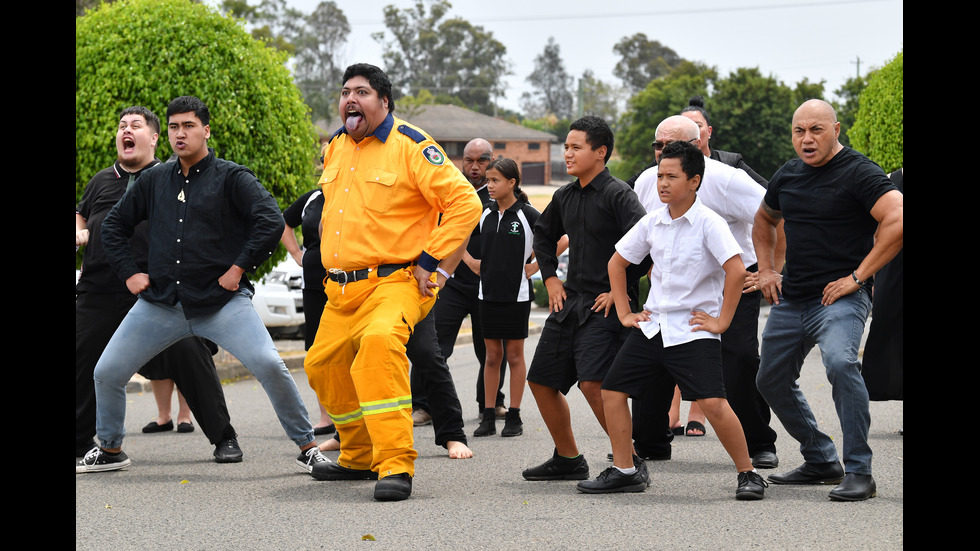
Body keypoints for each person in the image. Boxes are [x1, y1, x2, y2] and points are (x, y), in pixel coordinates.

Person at [77, 96, 326, 474]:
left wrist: (239, 268)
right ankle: (110, 449)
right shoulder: (152, 180)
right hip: (161, 303)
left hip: (221, 302)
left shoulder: (231, 177)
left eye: (189, 126)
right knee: (107, 372)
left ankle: (308, 446)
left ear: (206, 130)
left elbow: (270, 221)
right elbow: (113, 226)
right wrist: (130, 272)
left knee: (269, 364)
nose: (181, 133)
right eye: (175, 126)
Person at [303, 64, 482, 501]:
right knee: (321, 365)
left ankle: (395, 464)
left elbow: (464, 202)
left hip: (395, 282)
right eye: (345, 92)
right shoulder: (337, 147)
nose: (350, 99)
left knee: (380, 348)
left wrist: (431, 259)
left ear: (384, 101)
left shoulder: (411, 146)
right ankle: (359, 456)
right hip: (340, 289)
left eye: (361, 92)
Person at [578, 140, 766, 499]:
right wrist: (624, 312)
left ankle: (749, 473)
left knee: (713, 403)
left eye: (672, 176)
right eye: (660, 175)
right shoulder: (653, 221)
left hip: (693, 330)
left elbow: (736, 270)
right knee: (612, 392)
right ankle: (625, 469)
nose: (662, 183)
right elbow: (617, 263)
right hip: (652, 326)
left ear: (694, 180)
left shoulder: (710, 222)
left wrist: (722, 322)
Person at [753, 99, 903, 501]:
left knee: (840, 362)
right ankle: (820, 458)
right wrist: (767, 270)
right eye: (799, 130)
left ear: (836, 129)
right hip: (794, 296)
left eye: (816, 130)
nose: (806, 138)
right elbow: (765, 218)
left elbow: (897, 218)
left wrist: (858, 277)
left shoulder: (859, 172)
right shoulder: (788, 174)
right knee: (769, 379)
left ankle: (859, 471)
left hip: (840, 298)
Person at [75, 105, 241, 464]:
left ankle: (224, 437)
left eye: (135, 125)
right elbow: (81, 212)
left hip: (156, 289)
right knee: (84, 359)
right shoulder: (101, 180)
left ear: (154, 137)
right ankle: (81, 443)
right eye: (121, 126)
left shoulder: (169, 178)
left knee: (190, 354)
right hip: (99, 287)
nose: (126, 131)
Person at [631, 115, 780, 469]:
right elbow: (639, 237)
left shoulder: (727, 179)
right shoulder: (646, 183)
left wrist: (771, 268)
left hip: (732, 285)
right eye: (658, 146)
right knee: (651, 361)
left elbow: (773, 214)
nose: (662, 153)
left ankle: (758, 442)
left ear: (698, 145)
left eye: (671, 146)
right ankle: (651, 442)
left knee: (738, 362)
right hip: (673, 292)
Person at [282, 187, 473, 459]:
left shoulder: (412, 178)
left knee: (426, 355)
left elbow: (461, 222)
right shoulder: (339, 188)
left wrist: (442, 272)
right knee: (347, 358)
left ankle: (452, 435)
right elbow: (328, 228)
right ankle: (349, 437)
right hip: (355, 289)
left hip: (406, 285)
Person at [521, 115, 648, 482]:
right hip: (568, 305)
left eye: (576, 147)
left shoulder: (619, 195)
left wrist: (618, 290)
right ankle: (568, 458)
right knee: (542, 381)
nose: (567, 154)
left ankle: (631, 463)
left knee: (594, 383)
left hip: (604, 306)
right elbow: (543, 238)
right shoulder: (564, 196)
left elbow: (646, 247)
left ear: (601, 152)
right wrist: (550, 279)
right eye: (566, 146)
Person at [421, 138, 508, 423]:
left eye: (481, 160)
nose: (473, 167)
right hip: (453, 282)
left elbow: (529, 231)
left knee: (492, 349)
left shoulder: (504, 194)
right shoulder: (450, 193)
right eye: (468, 160)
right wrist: (466, 261)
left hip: (490, 286)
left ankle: (491, 403)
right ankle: (423, 405)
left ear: (492, 160)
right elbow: (440, 234)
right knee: (432, 345)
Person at [471, 158, 539, 438]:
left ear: (512, 183)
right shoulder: (484, 213)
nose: (490, 185)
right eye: (488, 180)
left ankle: (514, 415)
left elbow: (562, 238)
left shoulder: (528, 214)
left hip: (517, 296)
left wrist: (536, 266)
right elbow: (459, 240)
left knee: (514, 355)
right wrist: (471, 262)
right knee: (491, 356)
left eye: (495, 180)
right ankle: (488, 416)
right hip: (487, 295)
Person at [861, 168, 903, 403]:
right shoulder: (889, 181)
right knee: (890, 333)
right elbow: (875, 232)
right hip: (893, 266)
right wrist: (872, 276)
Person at [681, 95, 769, 186]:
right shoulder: (670, 165)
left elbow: (767, 190)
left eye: (697, 126)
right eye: (685, 127)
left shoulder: (730, 162)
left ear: (709, 131)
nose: (692, 132)